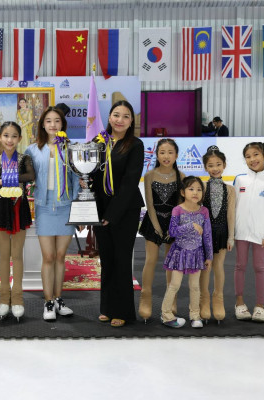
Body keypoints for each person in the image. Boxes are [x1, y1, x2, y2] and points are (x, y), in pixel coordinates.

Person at [90, 100, 145, 327]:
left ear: (131, 121)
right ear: (109, 117)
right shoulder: (98, 142)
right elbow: (91, 176)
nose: (120, 120)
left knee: (121, 260)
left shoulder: (135, 145)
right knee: (107, 260)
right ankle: (107, 307)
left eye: (125, 116)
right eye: (116, 115)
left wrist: (111, 215)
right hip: (100, 210)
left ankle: (122, 310)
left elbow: (130, 182)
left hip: (125, 211)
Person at [25, 106, 80, 321]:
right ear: (42, 124)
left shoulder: (71, 148)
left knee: (60, 256)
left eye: (57, 121)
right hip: (44, 207)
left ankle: (58, 299)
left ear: (62, 124)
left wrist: (78, 209)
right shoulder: (32, 150)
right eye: (48, 121)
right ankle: (48, 301)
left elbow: (76, 179)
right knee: (48, 257)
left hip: (65, 207)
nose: (53, 125)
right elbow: (25, 176)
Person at [0, 121, 35, 321]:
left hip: (19, 208)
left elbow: (30, 175)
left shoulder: (25, 158)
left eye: (14, 136)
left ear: (20, 138)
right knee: (3, 255)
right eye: (6, 135)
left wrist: (7, 179)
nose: (10, 140)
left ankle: (17, 298)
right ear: (0, 137)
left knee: (17, 255)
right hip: (0, 209)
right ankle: (3, 297)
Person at [137, 138, 184, 322]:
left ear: (176, 155)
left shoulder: (181, 176)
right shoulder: (150, 175)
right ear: (157, 155)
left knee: (171, 262)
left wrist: (173, 226)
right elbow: (149, 204)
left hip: (173, 222)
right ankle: (145, 296)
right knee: (151, 260)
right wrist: (157, 226)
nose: (166, 156)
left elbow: (180, 207)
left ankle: (171, 299)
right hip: (153, 220)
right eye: (162, 152)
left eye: (170, 152)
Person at [233, 142, 264, 323]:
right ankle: (239, 303)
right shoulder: (239, 180)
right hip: (240, 232)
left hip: (260, 235)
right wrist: (231, 232)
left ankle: (260, 306)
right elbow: (233, 207)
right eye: (248, 156)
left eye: (256, 155)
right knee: (240, 266)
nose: (252, 159)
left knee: (260, 268)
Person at [161, 176, 213, 329]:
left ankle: (195, 315)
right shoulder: (177, 210)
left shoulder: (204, 211)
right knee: (174, 285)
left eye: (199, 189)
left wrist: (209, 256)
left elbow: (207, 235)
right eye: (191, 189)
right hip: (180, 253)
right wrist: (191, 225)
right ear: (183, 192)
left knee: (195, 286)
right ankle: (166, 314)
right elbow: (172, 231)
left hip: (196, 254)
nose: (195, 192)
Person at [200, 146, 235, 323]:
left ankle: (218, 299)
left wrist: (231, 237)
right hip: (204, 233)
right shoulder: (202, 187)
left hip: (222, 231)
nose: (215, 168)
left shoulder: (230, 189)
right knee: (206, 266)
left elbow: (231, 214)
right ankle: (204, 300)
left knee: (218, 266)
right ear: (205, 167)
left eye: (218, 164)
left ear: (224, 165)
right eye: (211, 165)